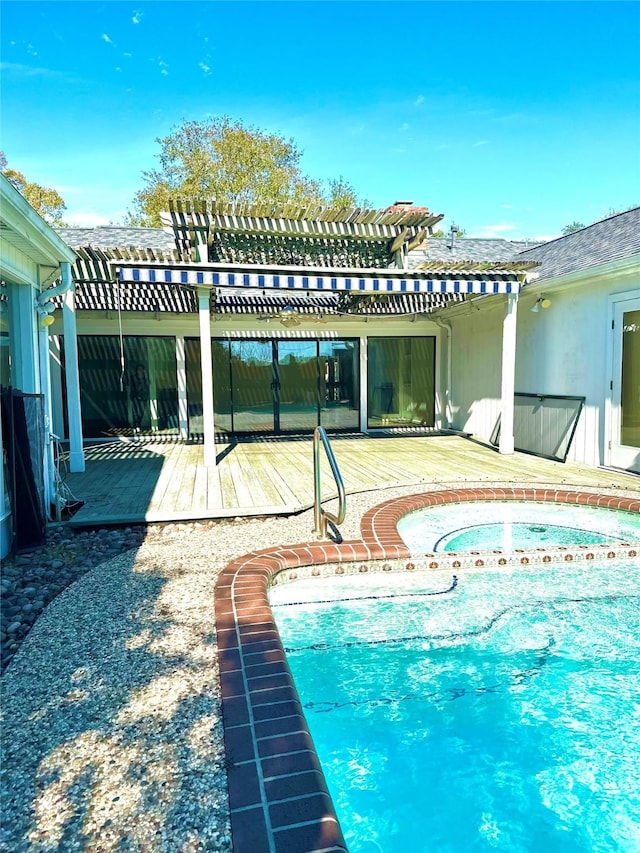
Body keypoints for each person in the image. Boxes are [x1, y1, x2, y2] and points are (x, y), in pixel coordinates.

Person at [129, 364, 149, 432]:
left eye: (141, 370)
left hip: (143, 397)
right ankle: (136, 425)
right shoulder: (134, 378)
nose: (140, 371)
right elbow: (136, 388)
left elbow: (148, 384)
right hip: (136, 398)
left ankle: (138, 425)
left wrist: (145, 377)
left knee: (141, 412)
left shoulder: (145, 378)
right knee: (136, 412)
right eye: (138, 370)